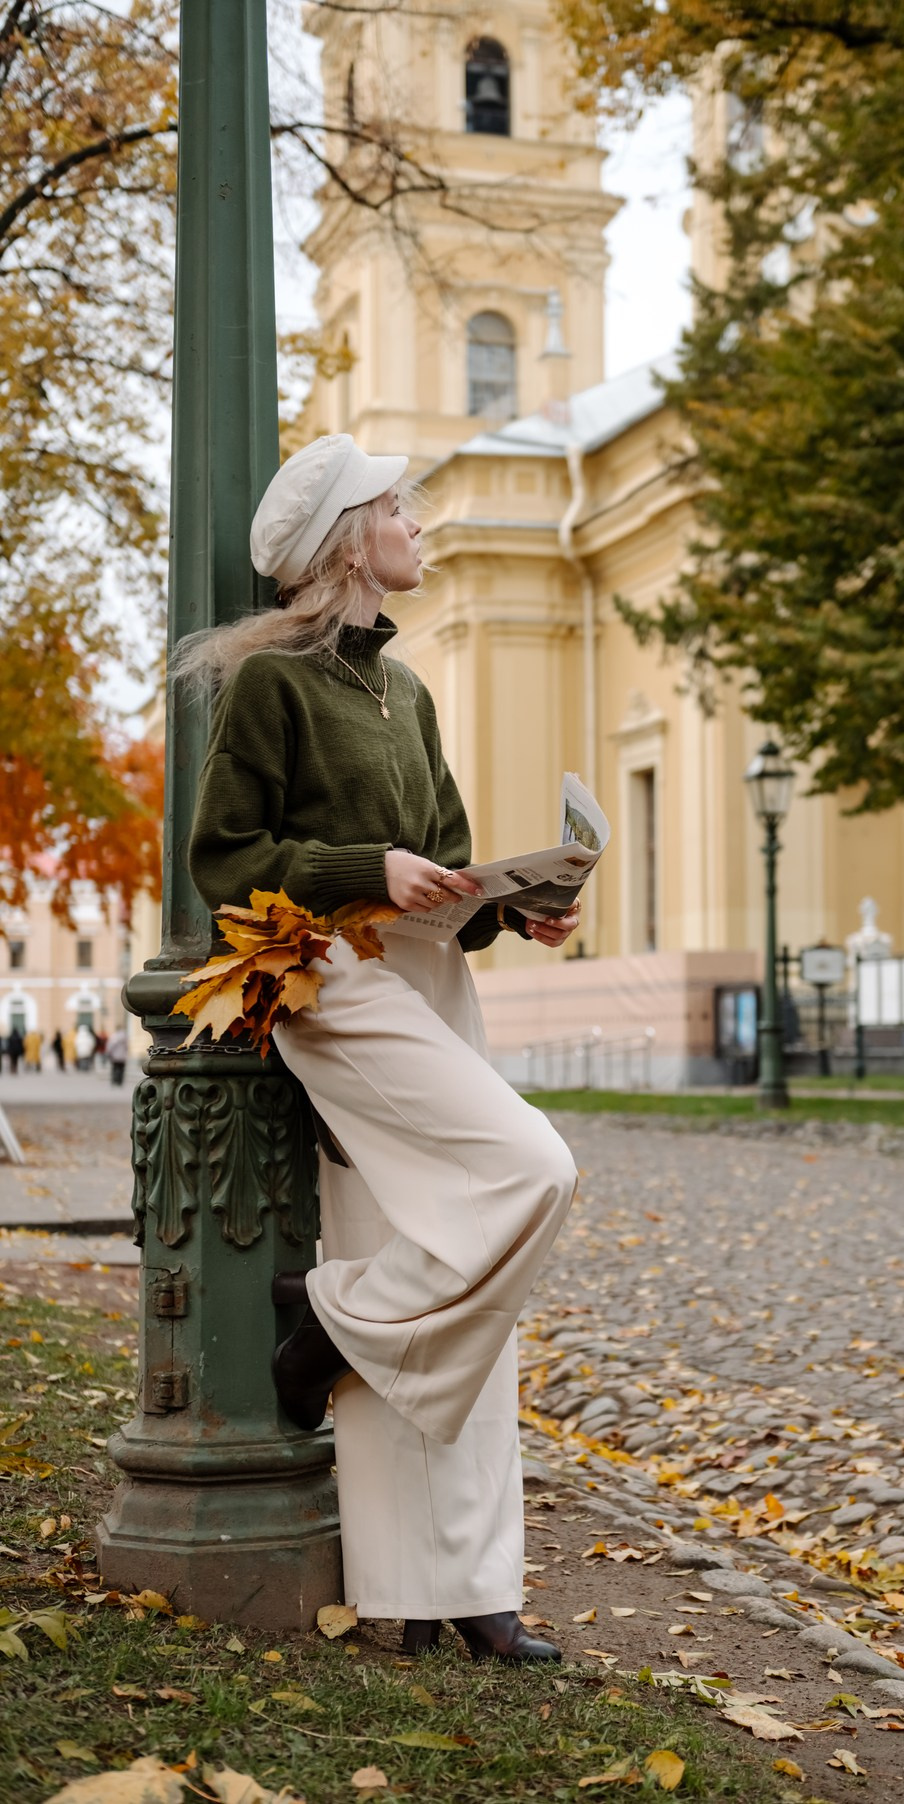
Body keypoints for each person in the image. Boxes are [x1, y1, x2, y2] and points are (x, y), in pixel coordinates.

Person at [183, 434, 581, 1666]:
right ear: (351, 539)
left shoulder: (407, 693)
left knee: (459, 1262)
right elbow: (225, 860)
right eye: (397, 506)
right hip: (336, 979)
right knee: (530, 1171)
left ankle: (456, 1586)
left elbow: (444, 866)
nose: (416, 521)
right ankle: (338, 1319)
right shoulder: (271, 686)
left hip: (431, 975)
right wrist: (369, 868)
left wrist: (515, 906)